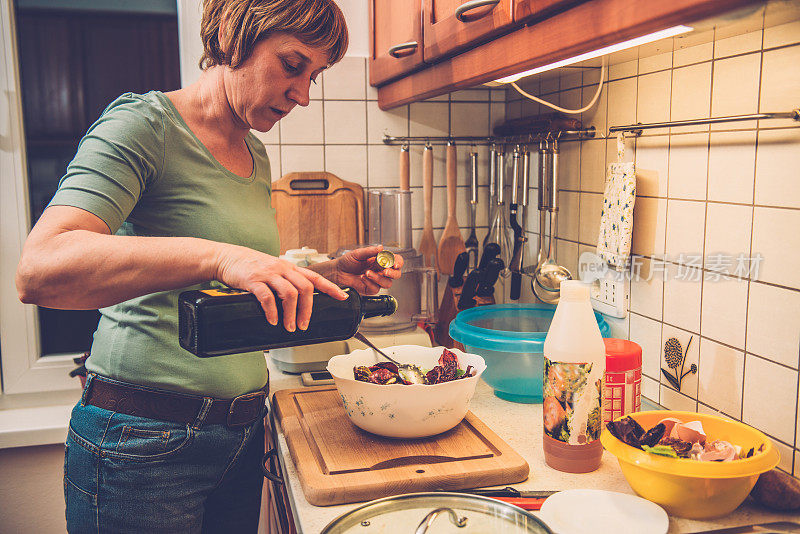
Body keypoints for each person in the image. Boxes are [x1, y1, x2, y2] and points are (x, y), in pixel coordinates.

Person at [15, 1, 402, 532]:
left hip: (241, 433)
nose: (302, 95)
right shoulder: (143, 125)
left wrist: (331, 272)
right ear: (232, 34)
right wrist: (219, 256)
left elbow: (235, 279)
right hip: (144, 444)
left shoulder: (253, 151)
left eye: (315, 75)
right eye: (292, 65)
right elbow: (41, 268)